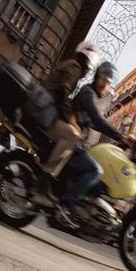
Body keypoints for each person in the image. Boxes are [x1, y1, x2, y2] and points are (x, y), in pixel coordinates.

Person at [33, 42, 101, 223]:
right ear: (88, 62)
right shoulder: (75, 68)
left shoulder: (72, 66)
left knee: (73, 134)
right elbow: (63, 93)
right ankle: (44, 181)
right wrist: (71, 120)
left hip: (45, 111)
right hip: (43, 112)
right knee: (72, 134)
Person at [59, 61, 129, 224]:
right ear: (100, 79)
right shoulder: (87, 93)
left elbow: (96, 123)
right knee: (96, 170)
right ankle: (66, 204)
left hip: (75, 141)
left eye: (110, 84)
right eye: (108, 83)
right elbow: (98, 119)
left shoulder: (89, 95)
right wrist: (121, 137)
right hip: (70, 140)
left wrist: (120, 137)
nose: (108, 87)